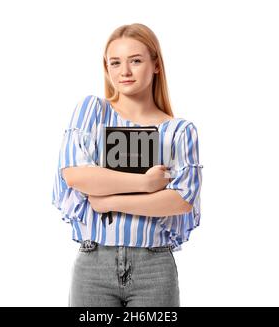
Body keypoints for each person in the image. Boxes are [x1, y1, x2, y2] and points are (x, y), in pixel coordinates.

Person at [52, 23, 203, 307]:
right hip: (95, 262)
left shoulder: (180, 131)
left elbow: (181, 199)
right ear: (106, 67)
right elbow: (75, 174)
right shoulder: (93, 111)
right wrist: (145, 184)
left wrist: (105, 200)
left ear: (156, 64)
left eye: (135, 60)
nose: (125, 72)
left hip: (154, 265)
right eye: (115, 62)